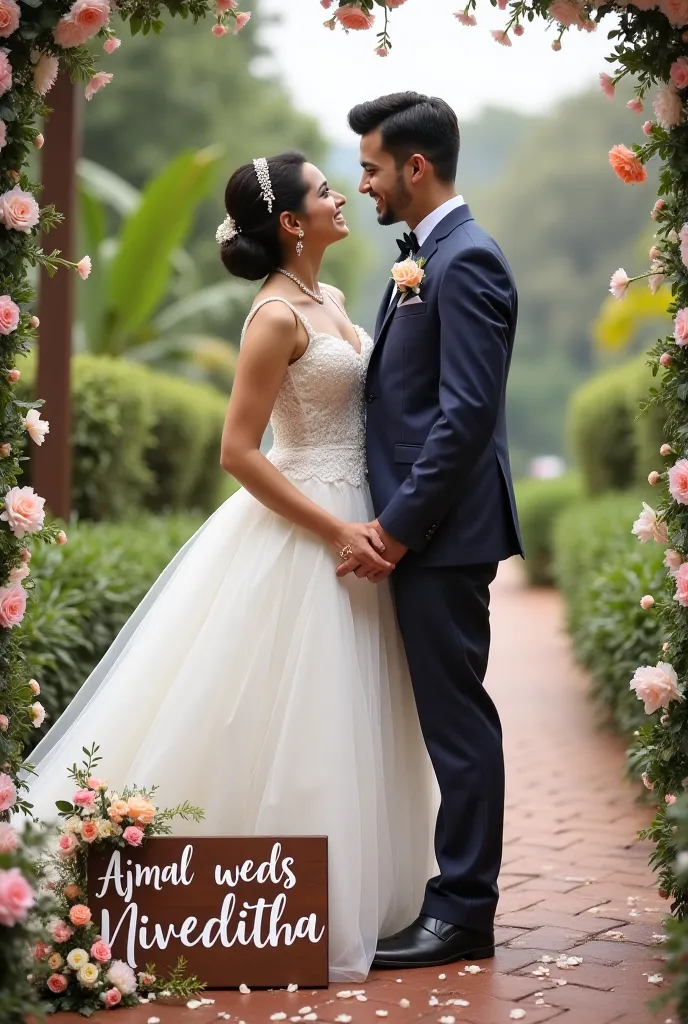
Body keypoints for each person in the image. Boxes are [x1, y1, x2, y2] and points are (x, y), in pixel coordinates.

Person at [24, 151, 435, 982]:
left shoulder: (335, 300)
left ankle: (344, 894)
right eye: (325, 190)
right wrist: (333, 531)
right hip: (304, 526)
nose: (339, 197)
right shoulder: (273, 318)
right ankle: (233, 907)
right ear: (291, 222)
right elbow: (239, 452)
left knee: (359, 707)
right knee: (285, 708)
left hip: (361, 515)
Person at [342, 92, 523, 969]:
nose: (363, 182)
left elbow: (464, 419)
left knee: (458, 723)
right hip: (426, 530)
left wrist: (397, 530)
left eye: (372, 166)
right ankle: (451, 899)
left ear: (416, 167)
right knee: (447, 718)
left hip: (445, 536)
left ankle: (462, 911)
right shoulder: (425, 257)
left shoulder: (469, 260)